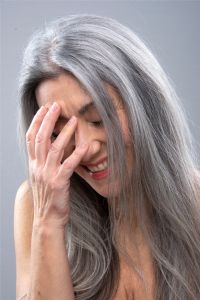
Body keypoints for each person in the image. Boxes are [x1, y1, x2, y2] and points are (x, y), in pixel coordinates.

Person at [14, 14, 200, 300]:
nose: (85, 148)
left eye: (99, 119)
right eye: (61, 133)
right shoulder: (35, 205)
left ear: (145, 103)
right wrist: (48, 221)